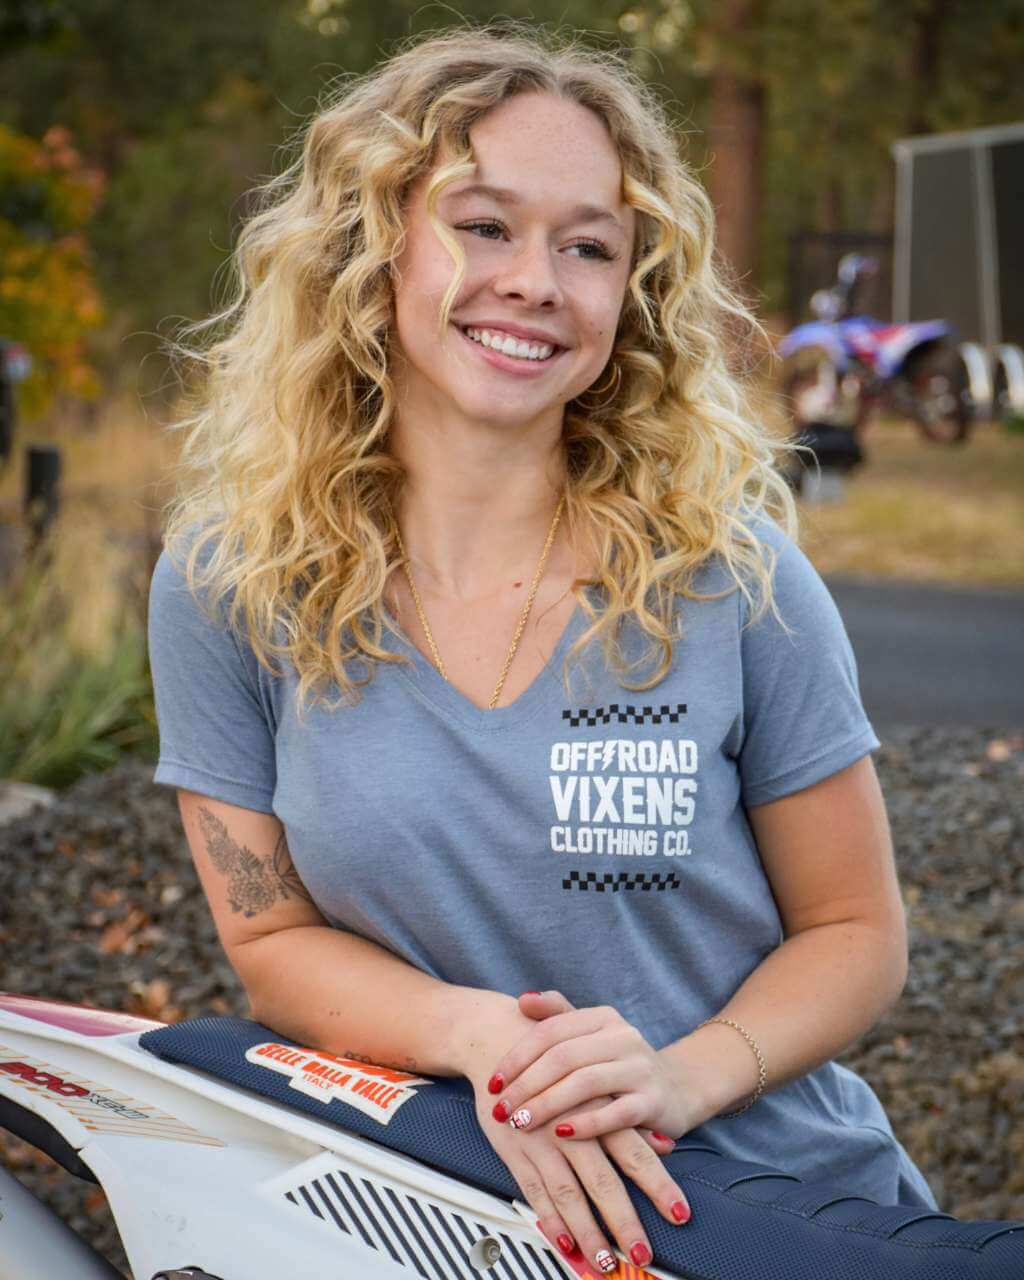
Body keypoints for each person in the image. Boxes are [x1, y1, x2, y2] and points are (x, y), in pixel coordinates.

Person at [147, 22, 938, 1277]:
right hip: (436, 1208)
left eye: (587, 247)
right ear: (374, 242)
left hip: (762, 1213)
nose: (536, 280)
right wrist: (480, 1041)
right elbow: (269, 938)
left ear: (630, 298)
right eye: (483, 223)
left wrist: (679, 1079)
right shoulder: (229, 583)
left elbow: (853, 927)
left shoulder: (729, 574)